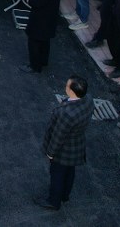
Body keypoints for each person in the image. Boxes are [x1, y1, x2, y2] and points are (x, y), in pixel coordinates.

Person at [38, 75, 93, 211]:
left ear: (72, 91)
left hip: (63, 151)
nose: (65, 86)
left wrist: (50, 153)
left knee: (57, 175)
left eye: (67, 85)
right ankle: (64, 195)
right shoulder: (88, 100)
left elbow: (58, 136)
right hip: (76, 146)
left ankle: (53, 201)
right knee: (69, 172)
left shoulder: (66, 114)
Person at [22, 0, 65, 74]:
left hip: (40, 18)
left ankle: (34, 66)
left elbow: (36, 2)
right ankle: (43, 60)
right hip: (50, 17)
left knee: (34, 42)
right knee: (45, 41)